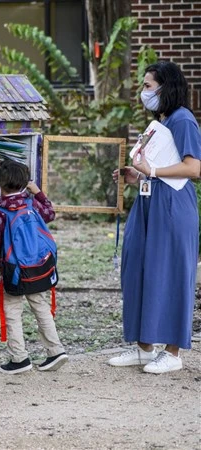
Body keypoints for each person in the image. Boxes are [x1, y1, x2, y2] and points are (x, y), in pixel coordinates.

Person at [109, 61, 201, 374]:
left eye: (148, 86)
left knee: (171, 272)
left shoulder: (183, 120)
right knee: (137, 267)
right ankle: (143, 348)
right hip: (149, 202)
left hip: (173, 206)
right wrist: (136, 175)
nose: (143, 92)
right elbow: (155, 166)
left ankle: (172, 352)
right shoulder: (160, 121)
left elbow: (194, 169)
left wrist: (153, 171)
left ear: (166, 88)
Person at [0, 161, 68, 374]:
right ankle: (56, 350)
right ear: (25, 183)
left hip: (15, 272)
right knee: (41, 306)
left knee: (13, 311)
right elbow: (49, 213)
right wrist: (37, 192)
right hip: (40, 266)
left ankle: (19, 358)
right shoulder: (31, 202)